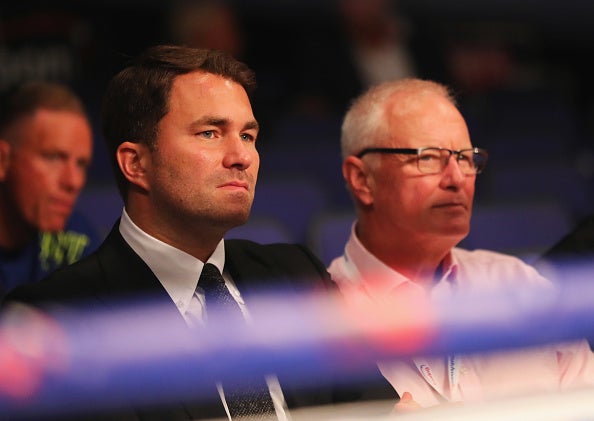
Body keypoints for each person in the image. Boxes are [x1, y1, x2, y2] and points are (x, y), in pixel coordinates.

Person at [1, 45, 396, 420]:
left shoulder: (297, 275)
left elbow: (380, 409)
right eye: (210, 133)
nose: (241, 157)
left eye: (247, 136)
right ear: (136, 163)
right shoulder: (54, 319)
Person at [327, 77, 594, 410]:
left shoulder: (521, 285)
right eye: (428, 158)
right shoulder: (324, 317)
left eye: (466, 158)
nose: (456, 179)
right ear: (362, 179)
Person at [0, 81, 101, 299]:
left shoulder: (76, 239)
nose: (73, 182)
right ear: (3, 160)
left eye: (81, 164)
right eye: (54, 158)